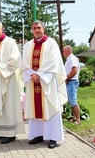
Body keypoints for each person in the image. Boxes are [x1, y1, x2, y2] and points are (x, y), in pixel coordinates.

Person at [21, 20, 68, 149]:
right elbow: (24, 62)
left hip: (48, 83)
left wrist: (39, 75)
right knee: (34, 108)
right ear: (32, 30)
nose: (36, 30)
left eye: (39, 27)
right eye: (34, 28)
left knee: (50, 108)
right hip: (33, 82)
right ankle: (38, 135)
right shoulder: (28, 45)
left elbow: (53, 62)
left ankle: (53, 137)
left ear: (43, 29)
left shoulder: (51, 43)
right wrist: (31, 74)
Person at [63, 45, 81, 125]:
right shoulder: (69, 59)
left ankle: (78, 119)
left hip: (72, 81)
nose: (63, 53)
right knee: (71, 101)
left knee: (73, 101)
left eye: (64, 51)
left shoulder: (72, 59)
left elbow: (74, 70)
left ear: (68, 51)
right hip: (70, 81)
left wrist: (67, 78)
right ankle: (74, 117)